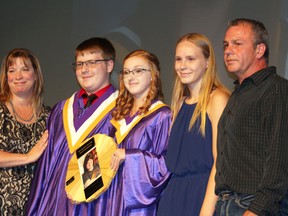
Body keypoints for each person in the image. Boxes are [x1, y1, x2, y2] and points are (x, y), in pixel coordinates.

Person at [25, 37, 118, 215]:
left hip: (95, 206)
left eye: (92, 62)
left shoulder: (121, 110)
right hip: (54, 203)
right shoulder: (61, 110)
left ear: (109, 65)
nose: (84, 69)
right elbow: (46, 167)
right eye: (79, 64)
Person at [215, 18, 288, 215]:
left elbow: (280, 160)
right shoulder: (239, 94)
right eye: (226, 45)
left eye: (237, 43)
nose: (228, 50)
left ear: (259, 50)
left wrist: (257, 210)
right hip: (226, 204)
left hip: (252, 205)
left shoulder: (276, 88)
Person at [157, 33, 230, 216]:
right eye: (178, 59)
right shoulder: (179, 104)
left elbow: (219, 163)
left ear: (207, 62)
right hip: (172, 199)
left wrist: (206, 211)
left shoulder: (218, 99)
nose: (182, 66)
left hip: (202, 197)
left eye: (190, 59)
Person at [94, 49, 171, 215]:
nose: (130, 76)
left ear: (153, 75)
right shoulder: (117, 115)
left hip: (138, 205)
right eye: (126, 72)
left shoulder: (162, 116)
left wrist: (129, 156)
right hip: (110, 198)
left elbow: (166, 165)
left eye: (138, 71)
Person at [0, 48, 50, 215]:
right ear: (6, 77)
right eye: (12, 70)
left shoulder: (50, 116)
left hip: (39, 206)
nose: (18, 76)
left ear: (35, 75)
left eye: (25, 69)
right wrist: (28, 157)